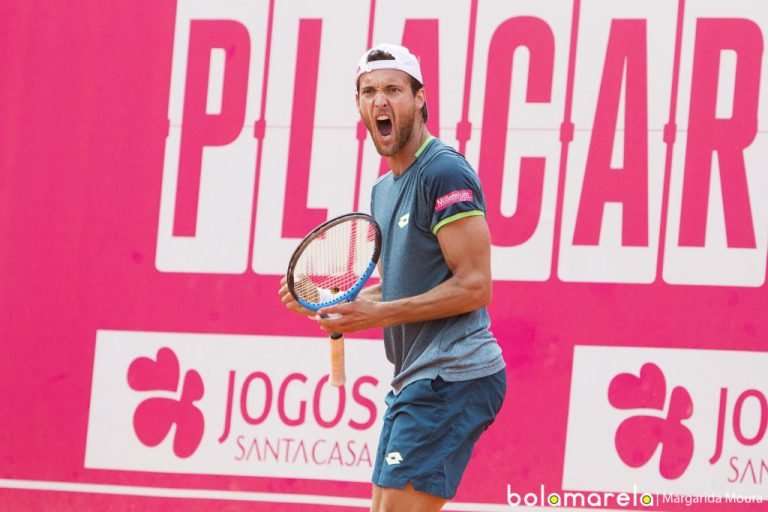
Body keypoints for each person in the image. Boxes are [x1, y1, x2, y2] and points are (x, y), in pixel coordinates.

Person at [278, 43, 506, 512]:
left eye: (394, 90)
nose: (380, 101)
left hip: (455, 374)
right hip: (414, 378)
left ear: (420, 99)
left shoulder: (443, 172)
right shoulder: (382, 190)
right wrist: (330, 301)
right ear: (359, 105)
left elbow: (475, 285)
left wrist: (377, 313)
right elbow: (405, 287)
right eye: (369, 91)